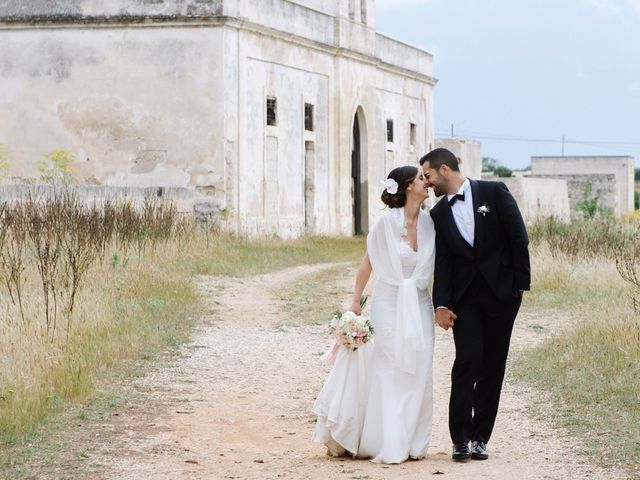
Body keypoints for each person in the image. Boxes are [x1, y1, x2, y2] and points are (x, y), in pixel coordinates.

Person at [312, 165, 436, 464]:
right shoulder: (386, 224)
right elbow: (367, 264)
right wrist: (355, 302)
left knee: (420, 367)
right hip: (390, 302)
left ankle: (413, 439)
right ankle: (387, 440)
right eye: (421, 178)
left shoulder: (432, 223)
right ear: (408, 186)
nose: (427, 182)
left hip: (419, 303)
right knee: (391, 369)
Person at [420, 148, 530, 462]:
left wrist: (519, 288)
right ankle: (460, 438)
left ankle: (481, 437)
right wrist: (441, 303)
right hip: (465, 301)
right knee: (467, 360)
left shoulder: (493, 192)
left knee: (493, 365)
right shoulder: (438, 214)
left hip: (502, 297)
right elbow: (444, 263)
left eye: (428, 175)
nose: (427, 183)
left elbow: (518, 238)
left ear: (444, 169)